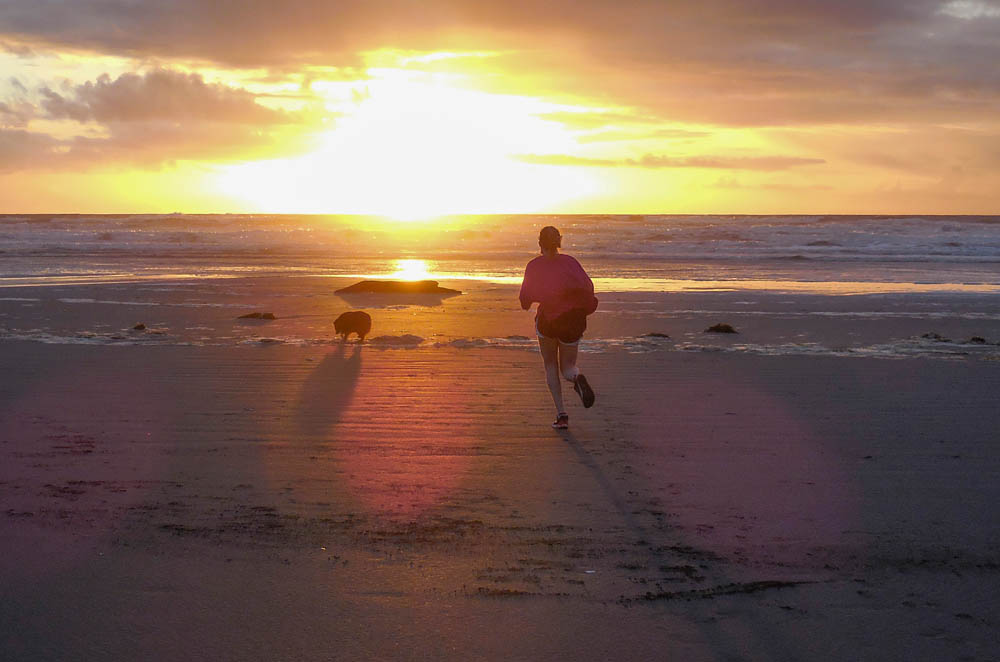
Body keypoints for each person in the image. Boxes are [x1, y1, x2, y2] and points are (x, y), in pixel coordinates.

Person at [519, 226, 597, 429]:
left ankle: (562, 415)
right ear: (559, 242)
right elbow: (588, 287)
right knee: (568, 367)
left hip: (548, 321)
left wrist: (533, 300)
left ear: (539, 244)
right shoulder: (571, 262)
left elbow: (525, 299)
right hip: (573, 321)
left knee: (550, 364)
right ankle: (576, 377)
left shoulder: (534, 265)